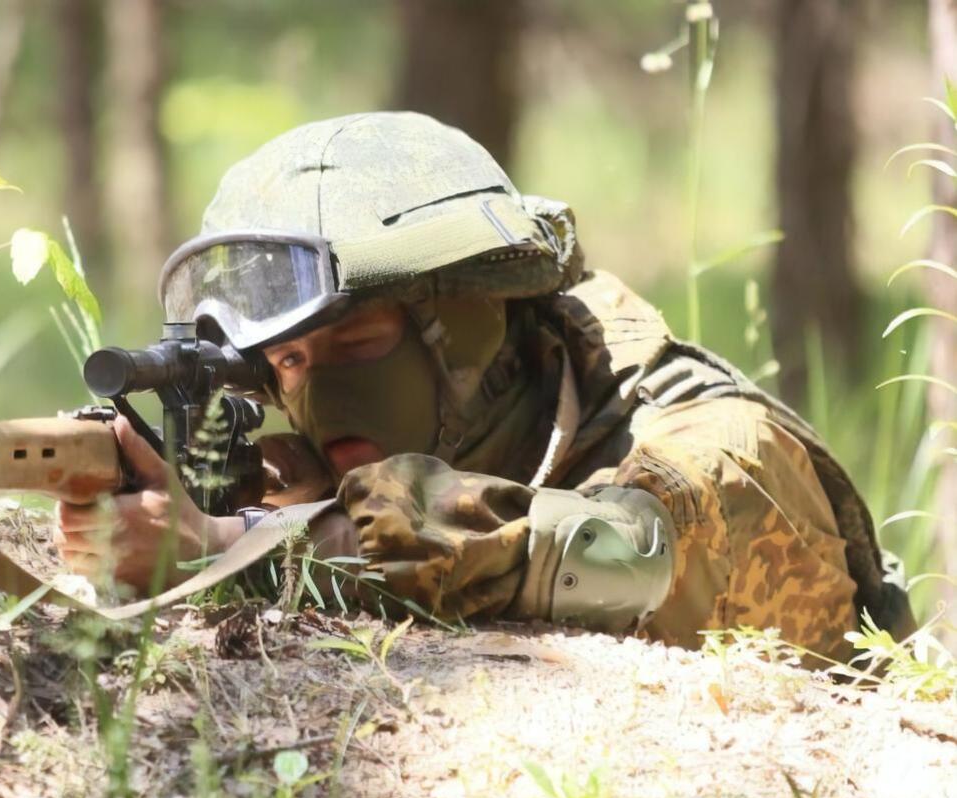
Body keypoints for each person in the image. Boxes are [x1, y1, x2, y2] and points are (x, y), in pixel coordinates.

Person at [55, 112, 914, 663]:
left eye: (356, 339)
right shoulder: (396, 455)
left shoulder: (723, 452)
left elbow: (624, 553)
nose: (317, 396)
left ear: (475, 331)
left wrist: (231, 545)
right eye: (288, 362)